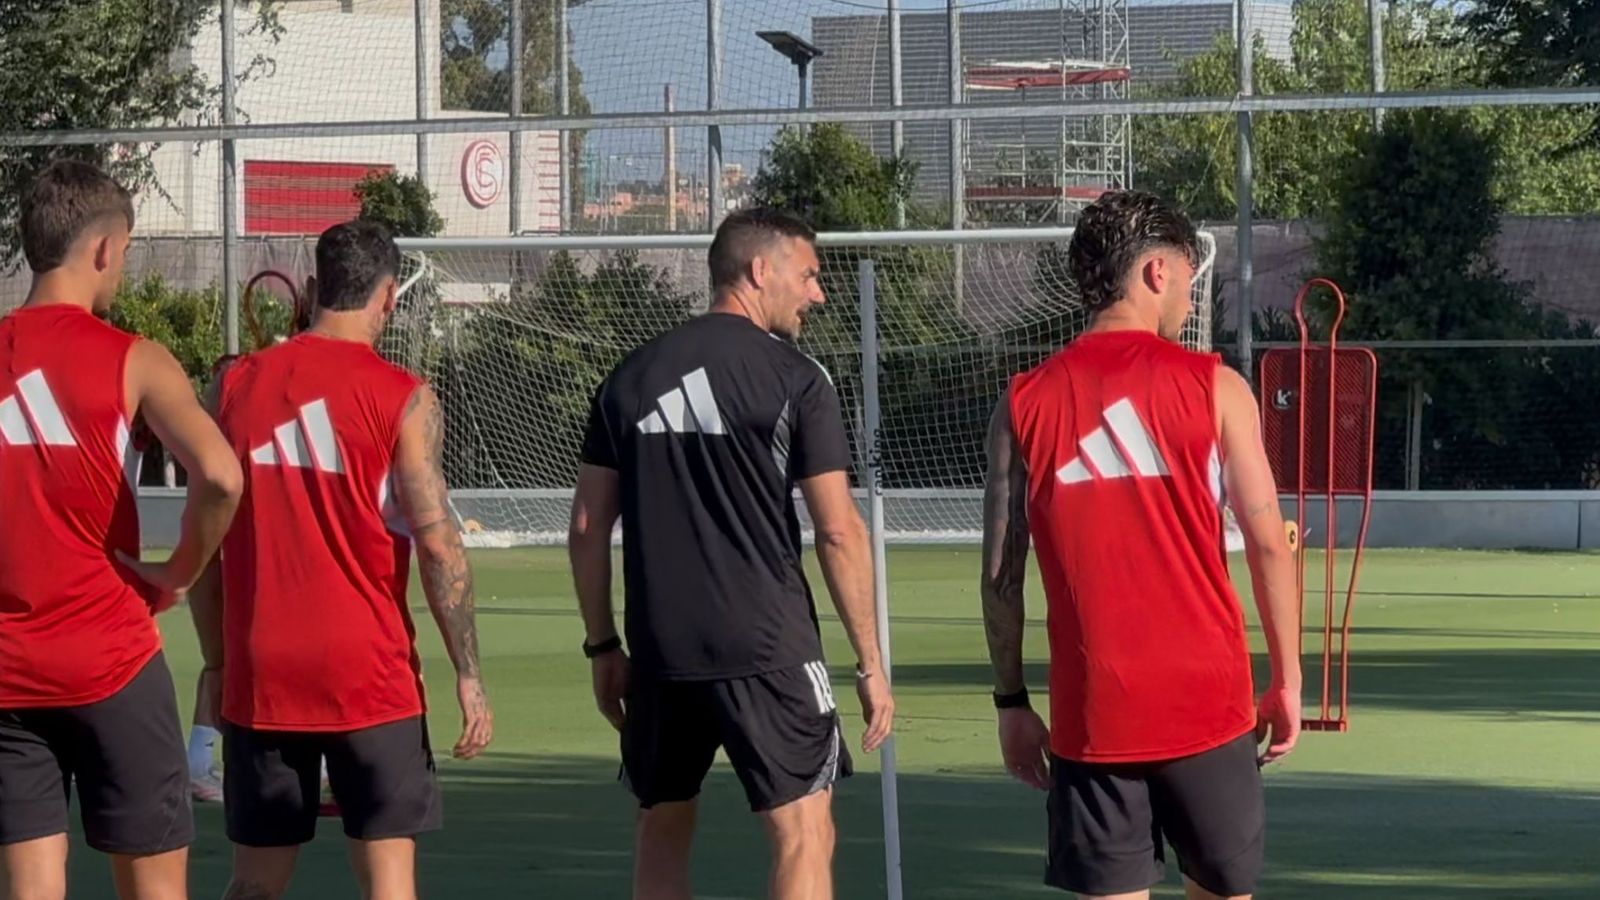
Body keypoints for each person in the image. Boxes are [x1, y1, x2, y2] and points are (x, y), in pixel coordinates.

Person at [980, 190, 1302, 900]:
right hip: (1209, 710)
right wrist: (1286, 678)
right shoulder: (1216, 388)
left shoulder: (1023, 401)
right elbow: (1270, 544)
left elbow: (1001, 574)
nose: (1190, 298)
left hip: (1093, 720)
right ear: (1157, 272)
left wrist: (1010, 701)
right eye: (1188, 277)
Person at [568, 207, 895, 900]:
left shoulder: (627, 378)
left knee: (662, 828)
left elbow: (588, 524)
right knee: (804, 831)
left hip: (660, 650)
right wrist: (870, 663)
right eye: (808, 276)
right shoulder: (796, 378)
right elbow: (838, 531)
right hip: (767, 644)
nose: (819, 294)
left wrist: (603, 645)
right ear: (759, 271)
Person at [185, 220, 493, 900]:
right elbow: (441, 545)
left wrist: (218, 660)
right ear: (388, 297)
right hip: (370, 679)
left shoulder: (231, 386)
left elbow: (202, 549)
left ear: (317, 286)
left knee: (254, 882)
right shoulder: (404, 397)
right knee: (388, 882)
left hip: (262, 677)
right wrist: (468, 673)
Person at [0, 159, 244, 899]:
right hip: (111, 662)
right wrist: (182, 571)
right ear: (105, 249)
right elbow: (223, 476)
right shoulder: (133, 358)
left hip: (9, 671)